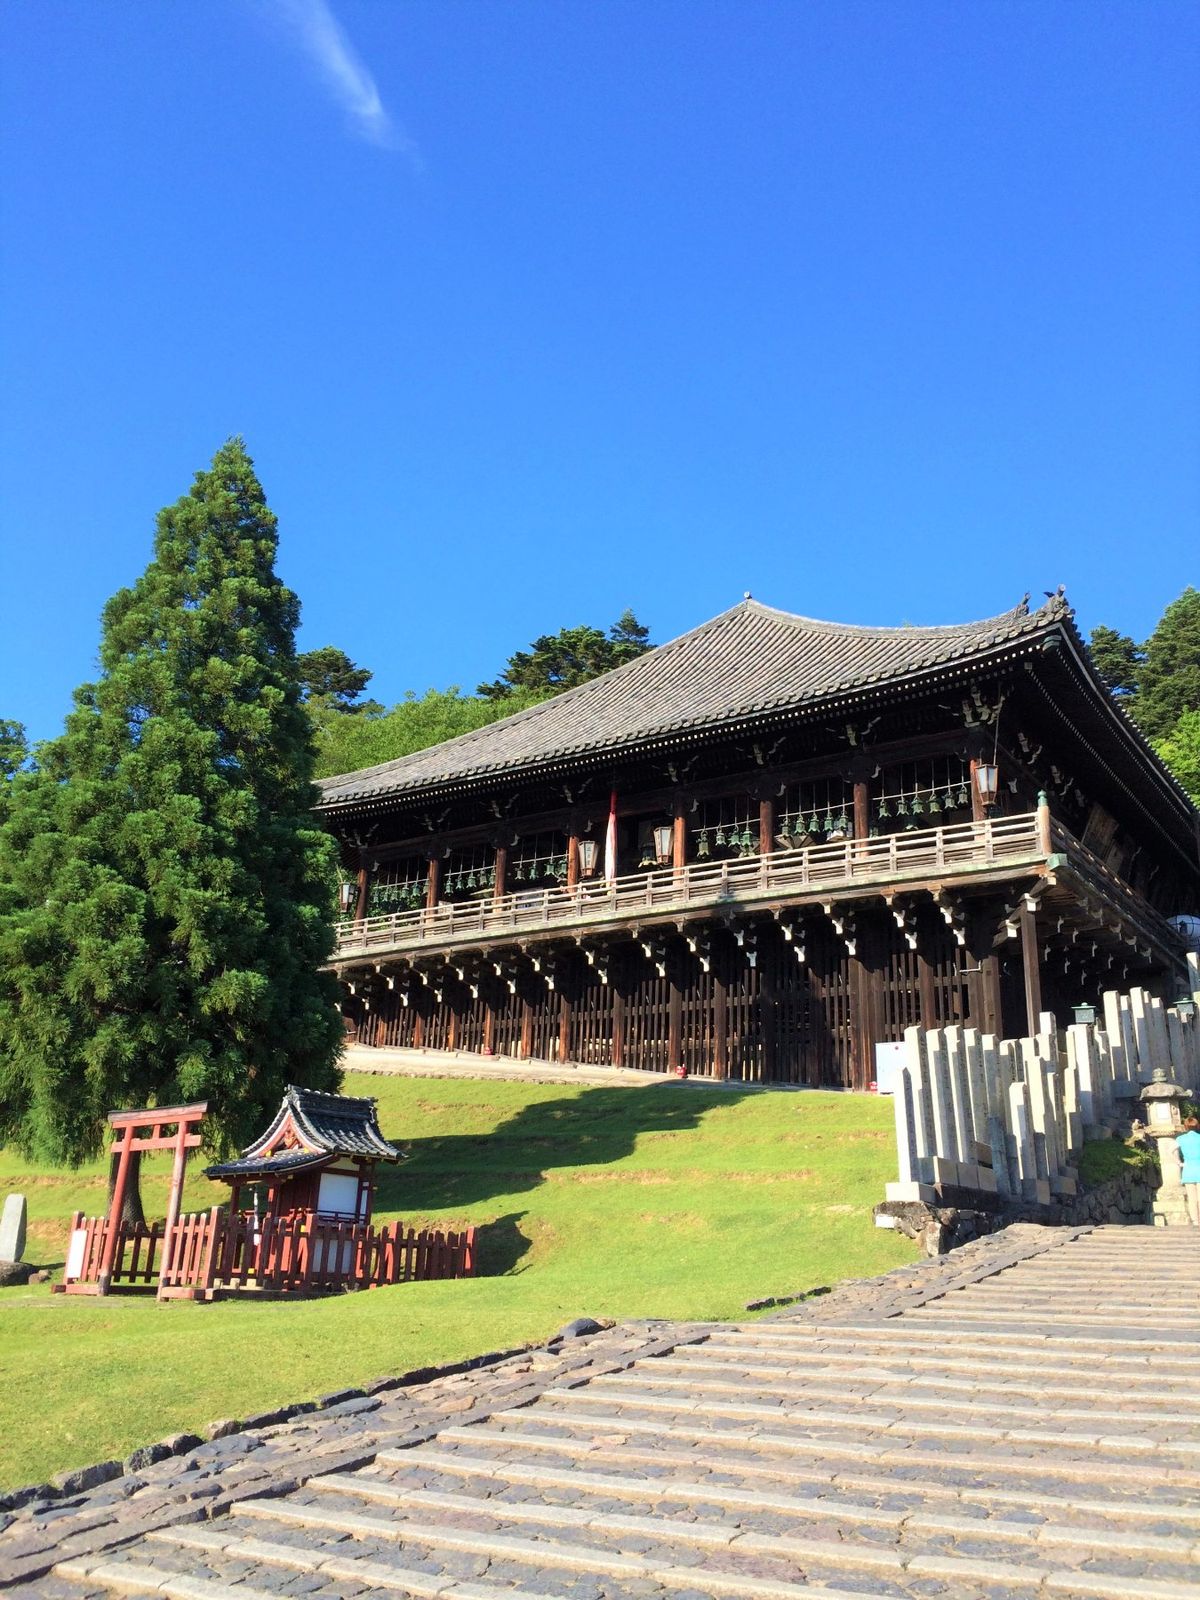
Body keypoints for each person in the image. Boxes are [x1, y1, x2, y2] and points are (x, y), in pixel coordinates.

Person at [1178, 1115, 1200, 1227]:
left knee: (1192, 1199)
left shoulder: (1181, 1139)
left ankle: (1196, 1221)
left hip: (1188, 1170)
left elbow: (1170, 1150)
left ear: (1185, 1126)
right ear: (1197, 1126)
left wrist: (1179, 1162)